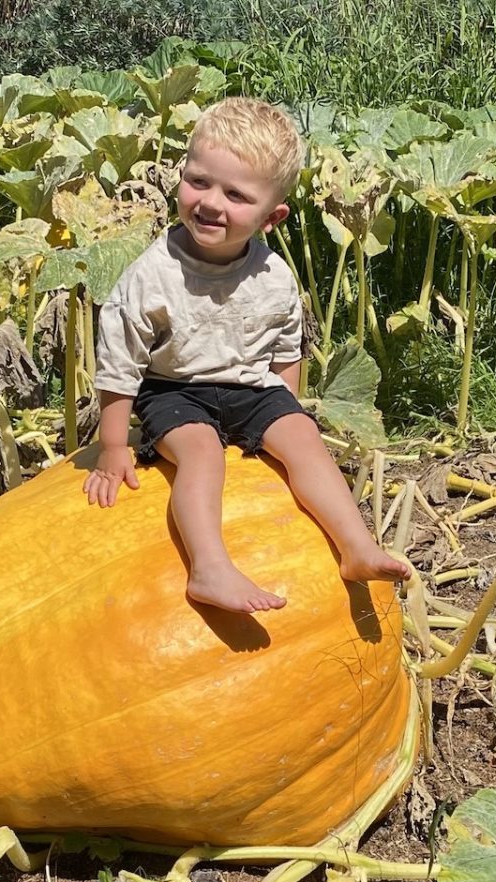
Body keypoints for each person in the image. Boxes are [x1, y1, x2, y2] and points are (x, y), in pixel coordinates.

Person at [82, 96, 410, 614]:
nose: (211, 202)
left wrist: (285, 415)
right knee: (202, 451)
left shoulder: (274, 276)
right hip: (175, 390)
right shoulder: (152, 274)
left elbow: (286, 345)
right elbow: (120, 361)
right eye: (198, 181)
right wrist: (114, 447)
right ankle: (208, 569)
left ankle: (356, 546)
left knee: (302, 435)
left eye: (235, 193)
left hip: (251, 386)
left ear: (271, 217)